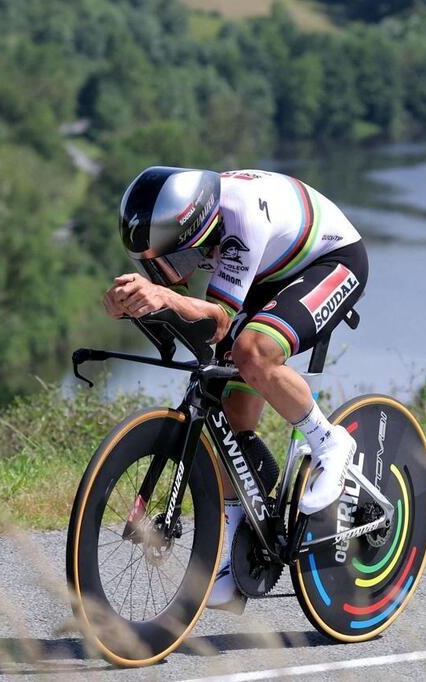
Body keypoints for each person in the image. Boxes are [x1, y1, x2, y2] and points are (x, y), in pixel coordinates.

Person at [102, 167, 368, 613]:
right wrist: (129, 304)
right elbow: (183, 306)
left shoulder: (241, 218)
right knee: (226, 412)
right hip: (268, 270)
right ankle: (237, 552)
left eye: (171, 257)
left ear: (197, 230)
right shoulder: (181, 223)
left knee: (253, 352)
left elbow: (220, 319)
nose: (166, 269)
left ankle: (329, 442)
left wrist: (164, 298)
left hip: (331, 261)